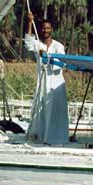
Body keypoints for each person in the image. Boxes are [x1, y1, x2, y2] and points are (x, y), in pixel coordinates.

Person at [23, 12, 69, 145]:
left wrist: (46, 55)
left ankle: (56, 138)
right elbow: (28, 42)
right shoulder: (38, 45)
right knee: (40, 108)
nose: (45, 30)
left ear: (51, 29)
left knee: (55, 109)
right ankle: (41, 136)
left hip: (55, 82)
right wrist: (30, 23)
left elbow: (61, 63)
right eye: (43, 28)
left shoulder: (58, 46)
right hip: (42, 81)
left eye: (48, 28)